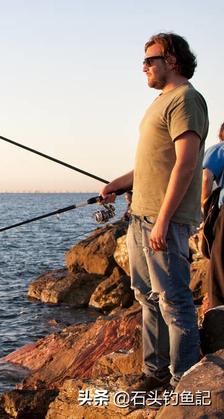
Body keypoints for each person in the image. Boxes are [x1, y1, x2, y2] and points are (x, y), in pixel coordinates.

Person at [101, 33, 208, 391]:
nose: (144, 66)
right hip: (140, 218)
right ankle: (155, 373)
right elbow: (151, 166)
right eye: (143, 61)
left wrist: (163, 220)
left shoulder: (186, 100)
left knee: (175, 304)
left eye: (150, 59)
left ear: (173, 60)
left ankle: (185, 384)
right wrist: (118, 183)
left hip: (164, 222)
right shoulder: (161, 102)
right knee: (147, 298)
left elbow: (186, 164)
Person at [201, 123, 224, 309]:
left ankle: (218, 312)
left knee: (219, 263)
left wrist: (204, 205)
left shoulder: (219, 149)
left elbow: (206, 177)